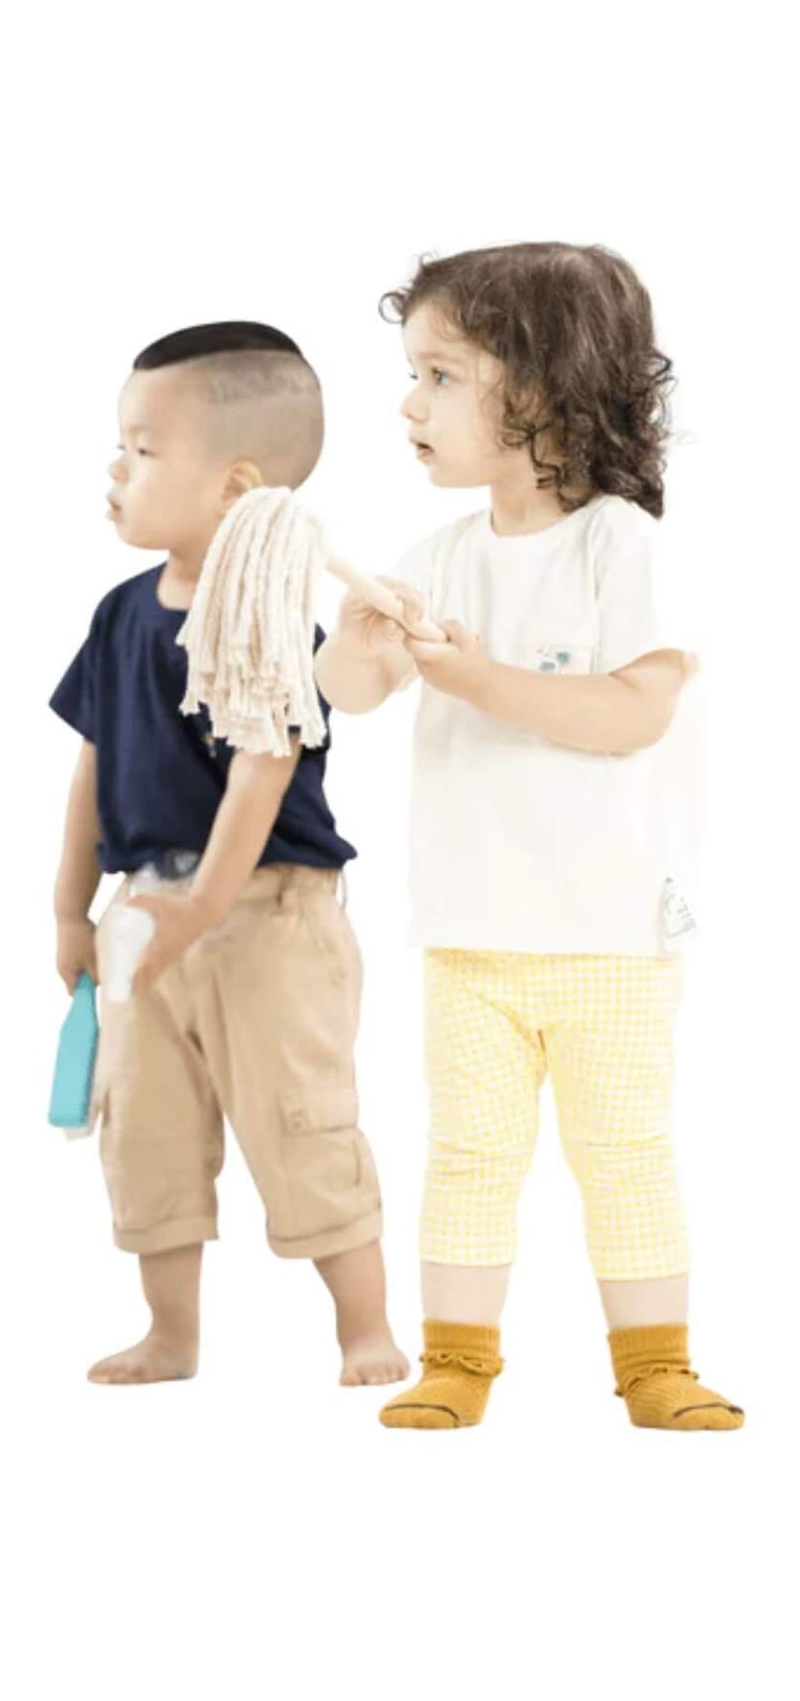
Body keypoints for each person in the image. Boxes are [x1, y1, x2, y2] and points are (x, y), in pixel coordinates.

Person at [315, 242, 741, 1431]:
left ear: (543, 388)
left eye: (439, 375)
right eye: (413, 374)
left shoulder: (623, 545)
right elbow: (350, 693)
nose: (409, 403)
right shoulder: (438, 559)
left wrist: (479, 675)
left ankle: (654, 1360)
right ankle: (455, 1357)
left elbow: (626, 714)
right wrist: (358, 636)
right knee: (465, 1154)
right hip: (468, 928)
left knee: (624, 1153)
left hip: (606, 931)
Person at [51, 321, 407, 1390]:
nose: (116, 468)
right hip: (143, 905)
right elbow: (91, 762)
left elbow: (261, 768)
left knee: (300, 1119)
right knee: (143, 1127)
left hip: (265, 914)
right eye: (118, 443)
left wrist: (202, 907)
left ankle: (363, 1326)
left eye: (143, 448)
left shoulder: (262, 619)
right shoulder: (120, 614)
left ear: (232, 483)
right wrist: (70, 904)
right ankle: (169, 1333)